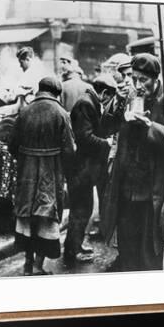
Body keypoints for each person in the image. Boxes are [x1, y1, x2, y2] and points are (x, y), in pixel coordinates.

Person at [100, 53, 164, 271]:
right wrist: (118, 102)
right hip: (126, 192)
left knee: (150, 257)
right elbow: (104, 128)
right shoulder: (128, 96)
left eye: (143, 80)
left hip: (153, 195)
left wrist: (150, 126)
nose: (138, 85)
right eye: (134, 79)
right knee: (127, 256)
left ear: (155, 78)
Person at [9, 76, 75, 276]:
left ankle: (27, 264)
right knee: (46, 217)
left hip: (26, 172)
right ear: (56, 93)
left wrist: (26, 157)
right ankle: (38, 265)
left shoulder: (24, 111)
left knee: (27, 217)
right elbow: (69, 150)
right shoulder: (61, 113)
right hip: (50, 171)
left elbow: (12, 144)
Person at [64, 74, 116, 265]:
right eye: (108, 97)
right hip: (81, 168)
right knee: (80, 210)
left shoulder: (88, 101)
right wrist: (107, 143)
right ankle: (72, 251)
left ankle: (75, 245)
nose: (108, 101)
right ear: (103, 92)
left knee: (83, 209)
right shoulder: (86, 104)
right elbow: (85, 138)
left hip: (84, 167)